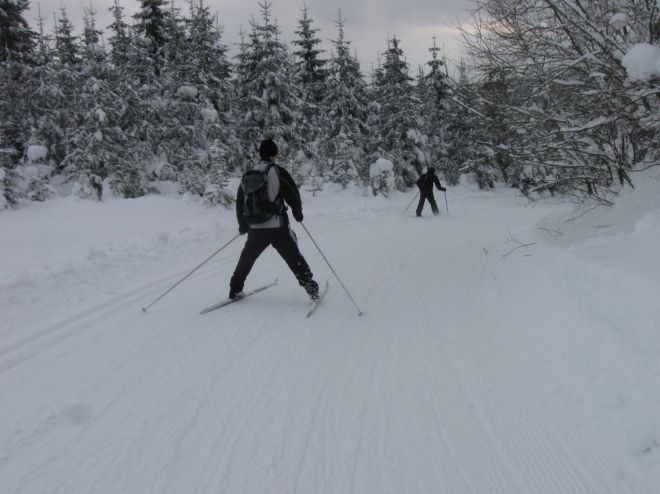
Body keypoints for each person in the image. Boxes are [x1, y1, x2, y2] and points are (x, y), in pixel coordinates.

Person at [229, 139, 319, 301]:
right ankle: (310, 287)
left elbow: (240, 201)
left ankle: (235, 289)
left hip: (255, 228)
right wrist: (298, 213)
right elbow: (292, 192)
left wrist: (242, 224)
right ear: (273, 154)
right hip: (277, 226)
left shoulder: (249, 175)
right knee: (293, 256)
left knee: (247, 258)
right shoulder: (277, 171)